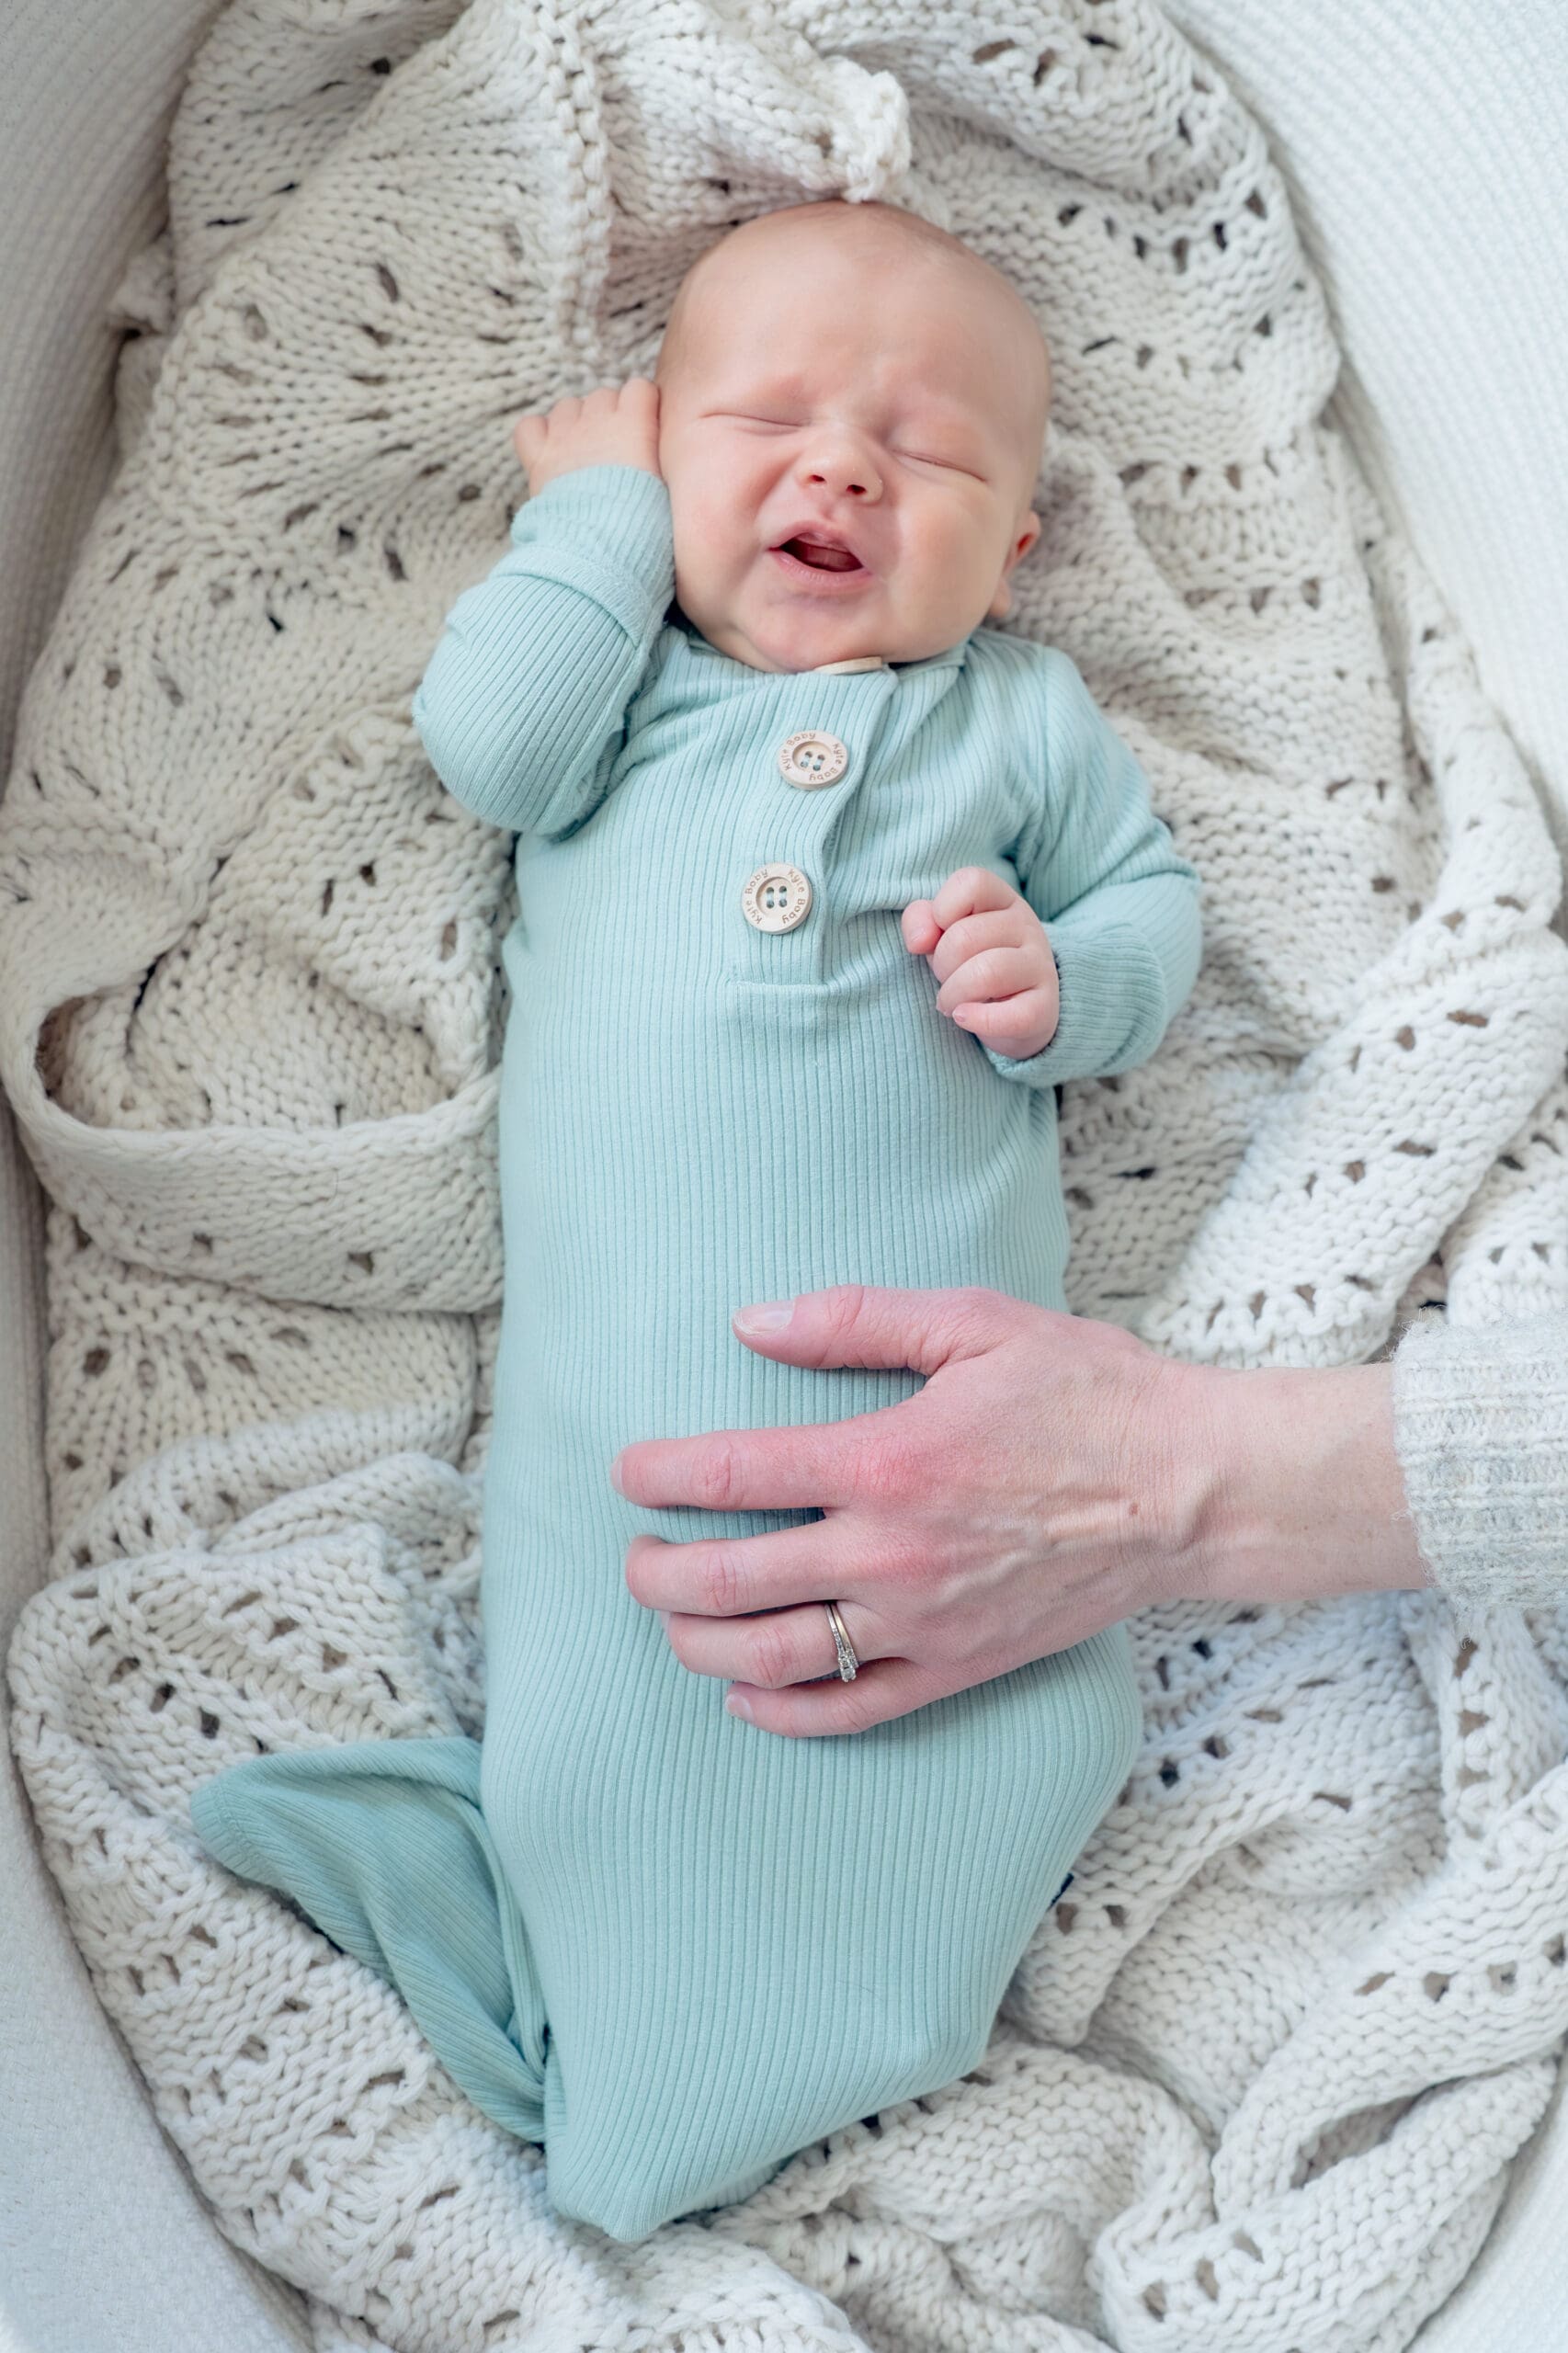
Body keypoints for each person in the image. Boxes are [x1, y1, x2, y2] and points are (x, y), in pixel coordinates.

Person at [187, 191, 1206, 2245]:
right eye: (764, 421)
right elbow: (486, 742)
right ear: (660, 467)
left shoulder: (1014, 719)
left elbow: (1149, 916)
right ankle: (611, 2037)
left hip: (942, 1440)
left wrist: (1064, 981)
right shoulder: (622, 693)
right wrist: (584, 528)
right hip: (626, 1438)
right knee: (616, 1708)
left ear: (1012, 547)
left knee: (1020, 1720)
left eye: (924, 451)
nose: (841, 464)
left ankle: (798, 2031)